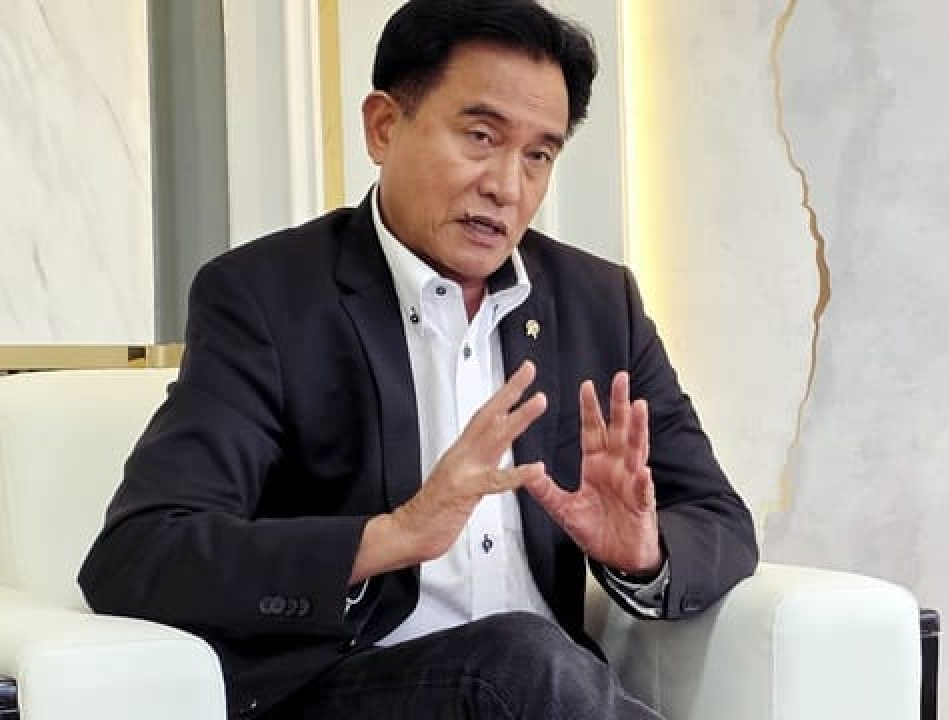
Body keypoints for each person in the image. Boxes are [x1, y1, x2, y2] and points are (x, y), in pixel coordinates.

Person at [79, 1, 757, 718]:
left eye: (538, 155)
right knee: (520, 660)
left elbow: (718, 518)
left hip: (548, 695)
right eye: (480, 136)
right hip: (352, 691)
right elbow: (140, 553)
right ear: (383, 126)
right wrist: (391, 536)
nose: (507, 186)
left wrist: (641, 555)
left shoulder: (596, 302)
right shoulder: (267, 298)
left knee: (530, 662)